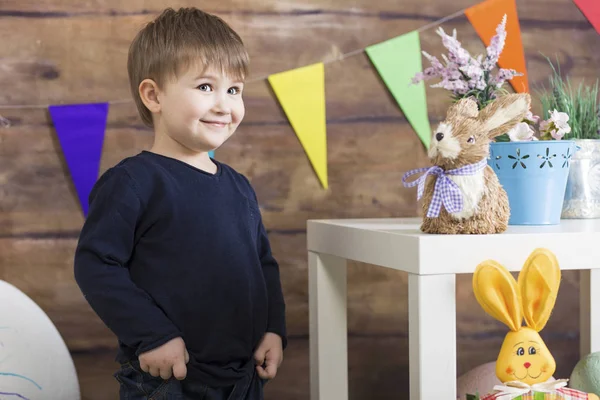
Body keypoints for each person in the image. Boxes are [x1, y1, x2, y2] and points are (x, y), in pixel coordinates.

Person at [73, 7, 286, 400]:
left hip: (241, 377)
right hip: (170, 377)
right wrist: (152, 334)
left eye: (234, 89)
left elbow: (264, 266)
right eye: (206, 87)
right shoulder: (134, 182)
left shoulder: (239, 187)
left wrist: (273, 328)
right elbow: (96, 264)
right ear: (154, 95)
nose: (224, 105)